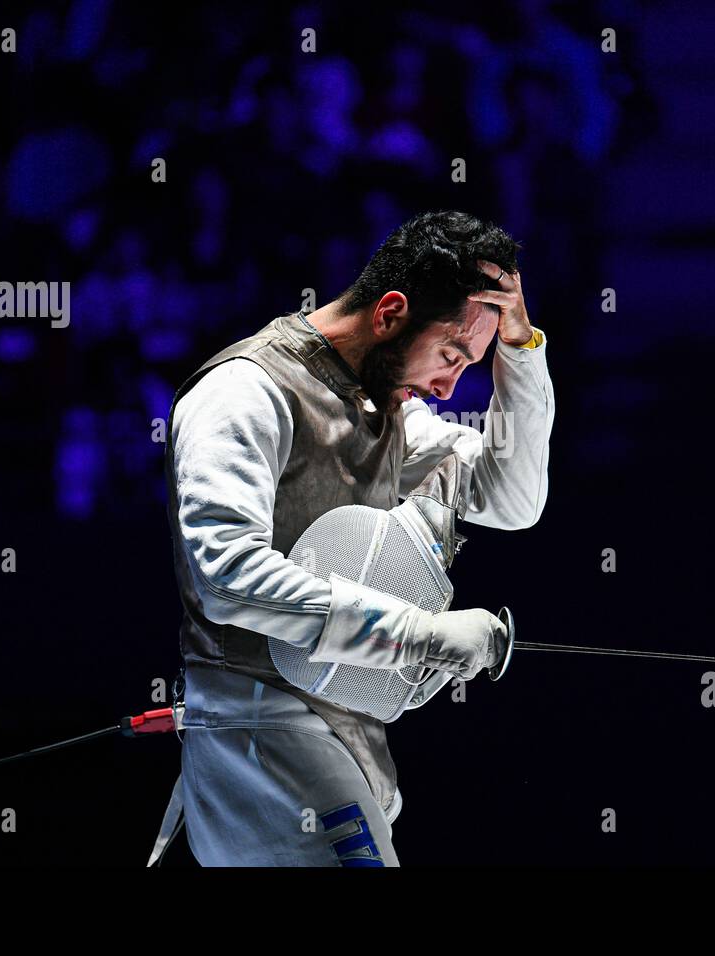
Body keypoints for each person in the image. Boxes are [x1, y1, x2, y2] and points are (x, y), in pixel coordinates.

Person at [155, 210, 555, 866]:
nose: (449, 386)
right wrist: (420, 634)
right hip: (261, 737)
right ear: (392, 312)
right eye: (453, 354)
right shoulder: (245, 392)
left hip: (342, 743)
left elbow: (513, 499)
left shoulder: (388, 411)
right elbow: (224, 576)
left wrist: (521, 350)